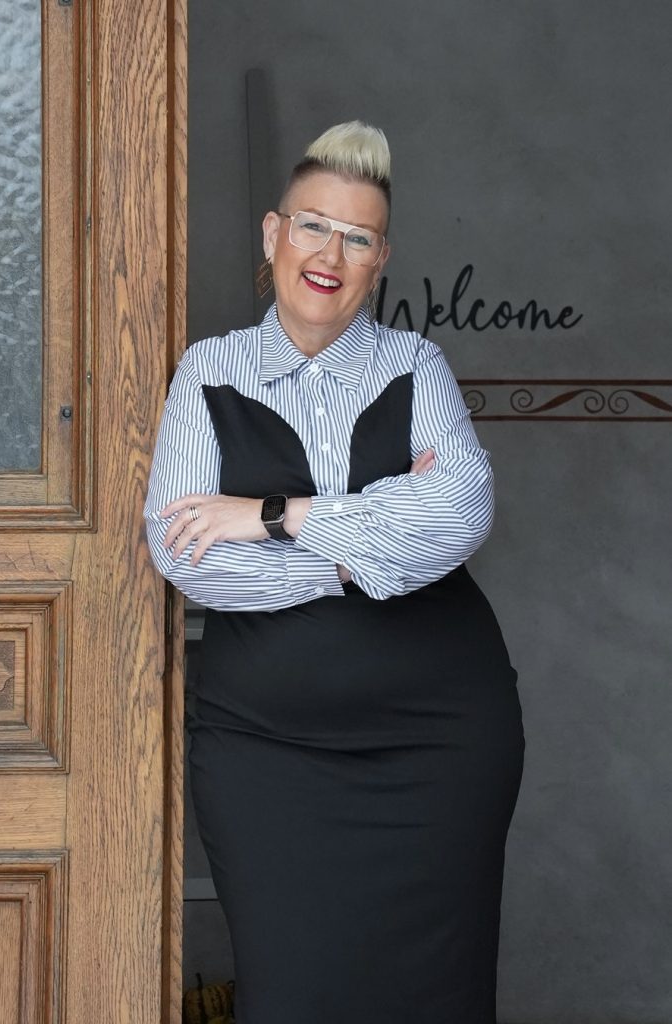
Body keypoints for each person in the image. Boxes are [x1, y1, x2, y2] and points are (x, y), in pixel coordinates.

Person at [144, 121, 524, 1024]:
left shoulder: (416, 365)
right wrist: (374, 551)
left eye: (357, 238)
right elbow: (189, 559)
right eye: (313, 226)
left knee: (435, 996)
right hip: (266, 751)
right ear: (273, 234)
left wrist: (276, 517)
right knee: (291, 993)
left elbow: (460, 515)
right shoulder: (207, 371)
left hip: (439, 743)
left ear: (379, 260)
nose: (329, 254)